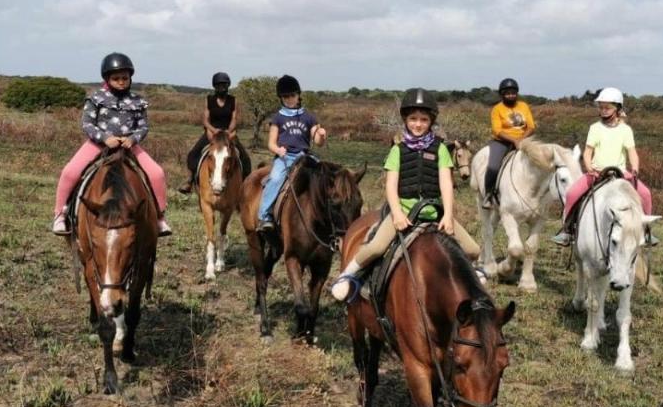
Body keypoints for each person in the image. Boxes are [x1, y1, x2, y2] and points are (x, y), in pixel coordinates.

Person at [331, 89, 482, 302]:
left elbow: (446, 184)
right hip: (404, 211)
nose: (418, 124)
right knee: (376, 247)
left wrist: (448, 215)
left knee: (473, 249)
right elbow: (391, 187)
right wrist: (398, 215)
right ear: (405, 120)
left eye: (423, 119)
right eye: (413, 119)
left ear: (431, 121)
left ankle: (465, 277)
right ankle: (347, 275)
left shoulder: (440, 149)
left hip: (434, 211)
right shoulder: (398, 151)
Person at [52, 52, 170, 236]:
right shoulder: (96, 98)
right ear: (107, 79)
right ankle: (59, 214)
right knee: (69, 172)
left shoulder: (138, 101)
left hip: (128, 146)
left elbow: (143, 126)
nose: (121, 81)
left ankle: (159, 217)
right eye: (116, 78)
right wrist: (105, 138)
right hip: (98, 144)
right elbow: (87, 124)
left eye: (125, 78)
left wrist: (133, 139)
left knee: (157, 174)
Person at [552, 87, 656, 246]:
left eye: (607, 108)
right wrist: (589, 168)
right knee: (572, 193)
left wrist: (634, 168)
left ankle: (646, 230)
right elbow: (587, 153)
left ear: (618, 108)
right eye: (601, 107)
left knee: (646, 194)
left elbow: (632, 152)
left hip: (620, 172)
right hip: (597, 172)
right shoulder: (595, 128)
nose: (603, 111)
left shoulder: (625, 130)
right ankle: (567, 231)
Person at [257, 75, 327, 232]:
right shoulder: (278, 117)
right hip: (285, 157)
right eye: (285, 96)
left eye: (292, 95)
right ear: (281, 98)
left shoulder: (308, 117)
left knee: (324, 177)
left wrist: (321, 134)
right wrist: (278, 150)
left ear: (298, 95)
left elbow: (317, 142)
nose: (289, 99)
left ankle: (326, 213)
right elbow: (271, 143)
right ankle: (264, 216)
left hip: (304, 156)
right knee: (275, 179)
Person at [177, 72, 251, 193]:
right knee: (193, 154)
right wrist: (212, 129)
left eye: (224, 85)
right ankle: (190, 180)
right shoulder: (209, 100)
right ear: (215, 86)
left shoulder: (233, 100)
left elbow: (234, 119)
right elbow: (205, 120)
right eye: (219, 85)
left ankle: (245, 184)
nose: (221, 88)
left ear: (228, 86)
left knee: (245, 158)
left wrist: (229, 131)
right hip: (212, 132)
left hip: (228, 133)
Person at [482, 77, 537, 208]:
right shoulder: (497, 109)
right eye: (507, 93)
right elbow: (497, 130)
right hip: (502, 142)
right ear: (502, 94)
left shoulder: (523, 106)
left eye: (513, 92)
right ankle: (489, 195)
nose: (510, 95)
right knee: (493, 166)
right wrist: (514, 141)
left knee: (540, 160)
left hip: (524, 140)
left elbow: (531, 126)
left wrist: (522, 140)